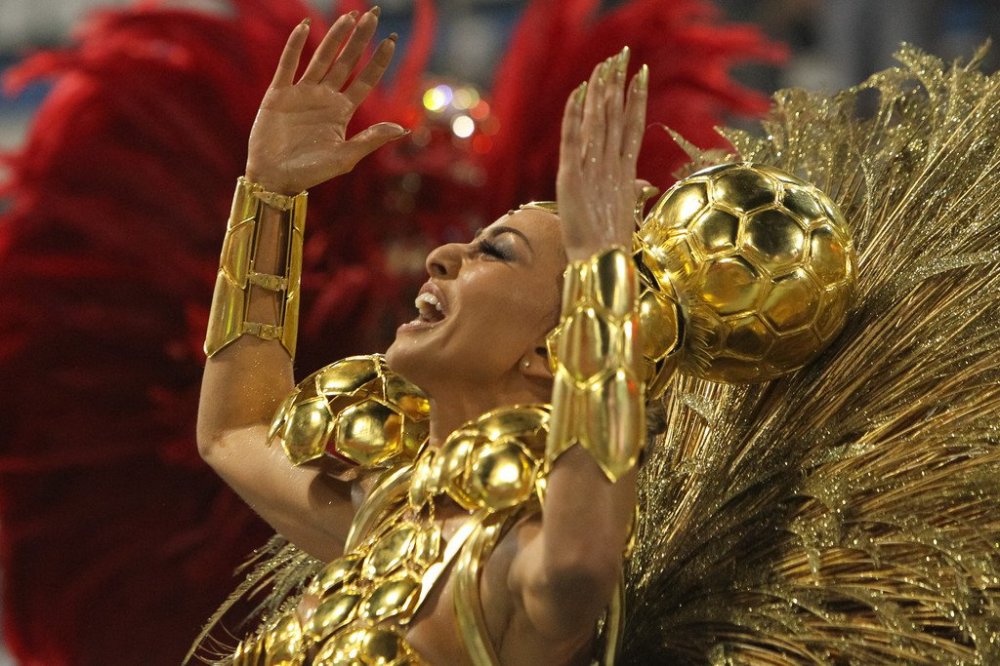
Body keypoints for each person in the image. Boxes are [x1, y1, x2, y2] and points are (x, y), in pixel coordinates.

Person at [195, 7, 650, 663]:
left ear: (552, 350)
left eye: (497, 253)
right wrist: (270, 193)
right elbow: (232, 431)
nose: (443, 255)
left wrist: (605, 272)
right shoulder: (381, 516)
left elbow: (580, 566)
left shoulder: (513, 562)